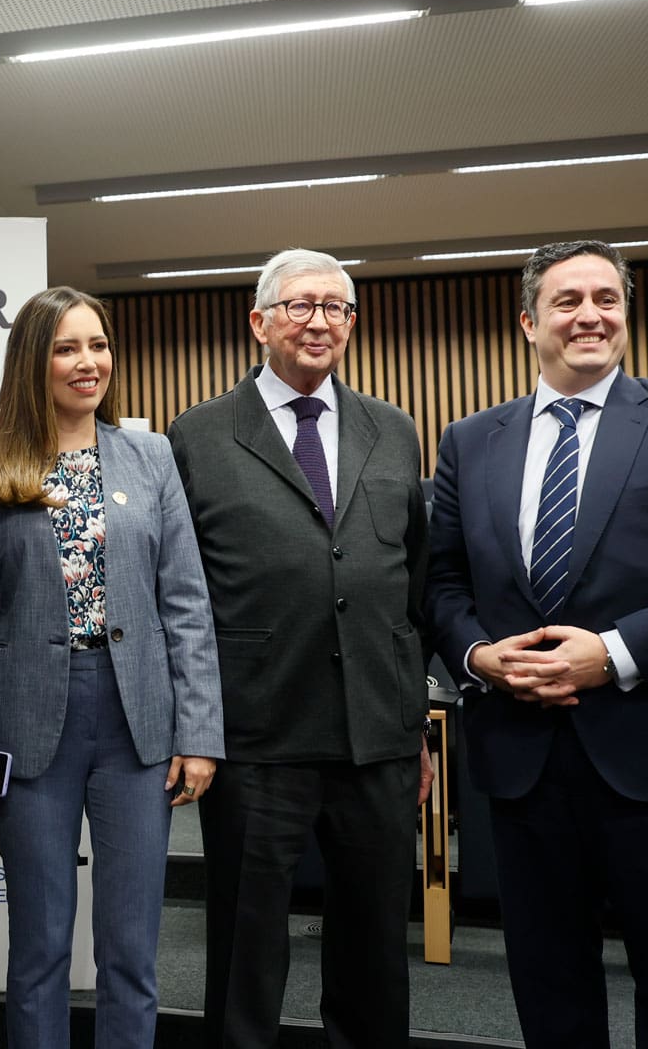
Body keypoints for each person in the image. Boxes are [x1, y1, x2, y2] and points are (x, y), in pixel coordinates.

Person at [425, 239, 648, 1048]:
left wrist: (613, 653)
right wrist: (479, 658)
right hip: (524, 764)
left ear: (626, 314)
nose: (590, 315)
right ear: (528, 321)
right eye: (567, 301)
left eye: (607, 298)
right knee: (549, 994)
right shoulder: (469, 441)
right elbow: (441, 586)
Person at [0, 286, 222, 1048]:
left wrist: (199, 732)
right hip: (29, 727)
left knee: (132, 951)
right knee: (39, 947)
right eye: (67, 348)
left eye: (97, 345)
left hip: (137, 724)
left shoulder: (151, 454)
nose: (87, 362)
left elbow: (186, 602)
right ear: (34, 360)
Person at [167, 248, 434, 1049]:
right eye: (299, 306)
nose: (319, 322)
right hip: (255, 736)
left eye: (336, 309)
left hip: (375, 736)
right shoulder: (199, 435)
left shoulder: (395, 430)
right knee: (247, 948)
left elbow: (410, 584)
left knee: (376, 945)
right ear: (259, 322)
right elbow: (179, 592)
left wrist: (416, 721)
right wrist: (195, 727)